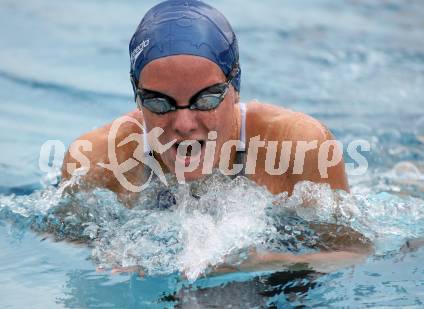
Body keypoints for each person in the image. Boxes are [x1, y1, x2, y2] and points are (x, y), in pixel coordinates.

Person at [61, 0, 370, 272]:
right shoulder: (95, 160)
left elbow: (355, 254)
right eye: (159, 102)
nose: (183, 123)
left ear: (234, 90)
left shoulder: (298, 145)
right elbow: (60, 241)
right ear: (138, 98)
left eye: (205, 99)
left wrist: (268, 263)